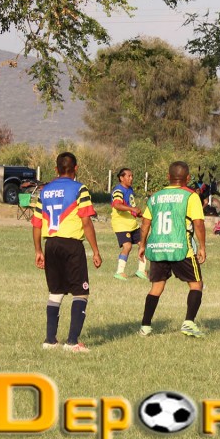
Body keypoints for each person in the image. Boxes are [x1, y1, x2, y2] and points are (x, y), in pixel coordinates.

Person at [31, 151, 102, 353]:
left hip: (50, 244)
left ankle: (50, 340)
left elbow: (36, 223)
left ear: (56, 169)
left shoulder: (44, 191)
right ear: (76, 168)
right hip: (71, 245)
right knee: (81, 292)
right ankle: (72, 342)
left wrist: (38, 250)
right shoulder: (80, 189)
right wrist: (95, 250)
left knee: (56, 291)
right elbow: (86, 222)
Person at [137, 161, 207, 338]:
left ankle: (145, 326)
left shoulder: (155, 197)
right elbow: (198, 223)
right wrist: (202, 247)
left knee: (156, 287)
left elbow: (145, 223)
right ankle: (189, 323)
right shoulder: (190, 196)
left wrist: (142, 244)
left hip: (158, 247)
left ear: (168, 177)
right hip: (180, 248)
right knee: (196, 284)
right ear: (188, 178)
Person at [110, 168, 147, 280]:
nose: (131, 178)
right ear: (121, 178)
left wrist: (140, 214)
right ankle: (119, 272)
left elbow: (130, 206)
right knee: (128, 246)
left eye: (132, 176)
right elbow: (117, 205)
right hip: (121, 224)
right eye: (128, 176)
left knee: (143, 244)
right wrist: (132, 209)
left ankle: (141, 271)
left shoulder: (130, 189)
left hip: (132, 223)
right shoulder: (118, 190)